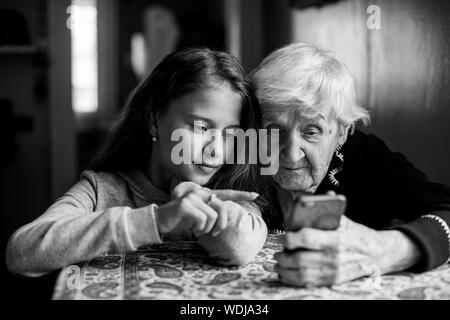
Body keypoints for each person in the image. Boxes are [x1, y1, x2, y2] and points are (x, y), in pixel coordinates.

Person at [6, 47, 269, 277]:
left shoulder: (232, 190)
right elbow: (21, 252)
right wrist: (155, 221)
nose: (216, 150)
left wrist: (189, 190)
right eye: (200, 127)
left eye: (229, 135)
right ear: (154, 120)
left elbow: (239, 248)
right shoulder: (102, 191)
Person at [250, 42, 450, 287]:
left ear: (342, 132)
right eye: (274, 129)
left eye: (311, 131)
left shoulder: (364, 157)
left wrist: (381, 251)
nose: (291, 155)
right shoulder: (242, 151)